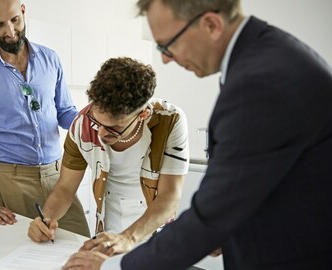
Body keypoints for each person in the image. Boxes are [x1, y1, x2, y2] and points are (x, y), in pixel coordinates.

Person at [62, 0, 332, 269]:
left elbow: (213, 211)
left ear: (211, 25)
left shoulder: (260, 82)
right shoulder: (265, 56)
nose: (166, 59)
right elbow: (263, 180)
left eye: (168, 45)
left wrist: (108, 268)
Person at [0, 0, 90, 237]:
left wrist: (93, 125)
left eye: (15, 20)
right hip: (9, 181)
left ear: (23, 11)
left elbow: (64, 112)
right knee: (25, 255)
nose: (10, 32)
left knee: (81, 245)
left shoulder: (50, 59)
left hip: (58, 177)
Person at [28, 57, 190, 255]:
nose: (101, 134)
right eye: (97, 122)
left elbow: (170, 195)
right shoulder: (82, 124)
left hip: (154, 226)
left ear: (143, 115)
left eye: (114, 128)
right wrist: (47, 218)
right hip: (109, 227)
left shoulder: (169, 120)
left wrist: (128, 238)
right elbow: (65, 187)